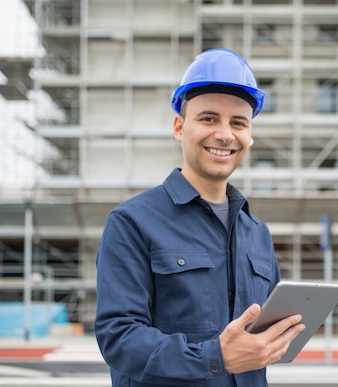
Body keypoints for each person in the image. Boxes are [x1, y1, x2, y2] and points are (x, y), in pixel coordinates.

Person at [94, 48, 305, 387]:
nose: (225, 134)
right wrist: (214, 357)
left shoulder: (257, 233)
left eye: (239, 123)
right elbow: (119, 339)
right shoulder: (132, 222)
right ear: (179, 127)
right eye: (209, 118)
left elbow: (258, 336)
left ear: (249, 136)